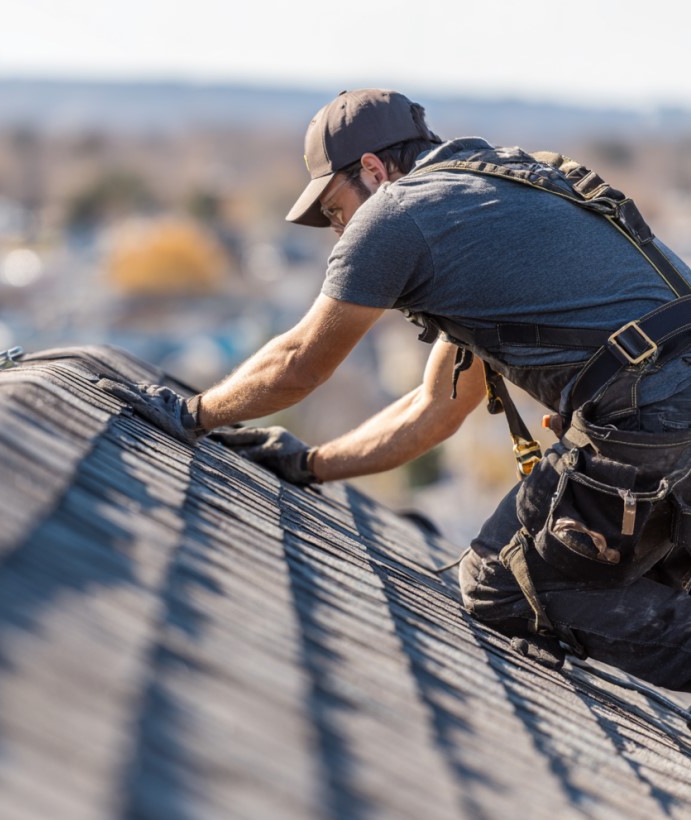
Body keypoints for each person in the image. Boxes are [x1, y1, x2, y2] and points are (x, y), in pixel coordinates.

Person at [124, 88, 691, 692]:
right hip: (664, 412)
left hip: (653, 417)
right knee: (636, 578)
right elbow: (434, 412)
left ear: (372, 170)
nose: (339, 230)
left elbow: (298, 364)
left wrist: (189, 413)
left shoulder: (399, 213)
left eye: (335, 209)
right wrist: (308, 464)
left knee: (505, 583)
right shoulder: (490, 200)